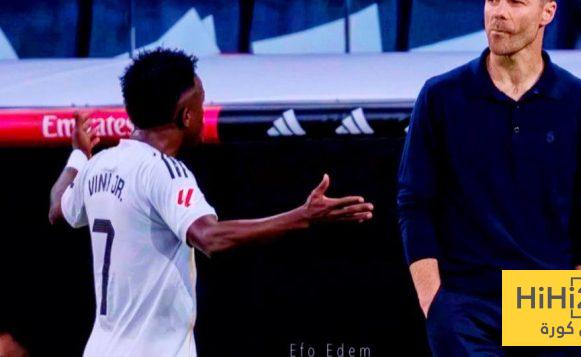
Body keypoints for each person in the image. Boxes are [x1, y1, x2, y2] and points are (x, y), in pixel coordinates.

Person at [47, 48, 374, 356]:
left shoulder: (98, 165)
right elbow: (210, 237)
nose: (206, 111)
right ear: (186, 116)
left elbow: (57, 209)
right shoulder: (164, 172)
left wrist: (79, 154)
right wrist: (304, 216)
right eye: (202, 102)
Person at [397, 0, 581, 356]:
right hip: (466, 301)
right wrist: (434, 302)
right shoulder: (440, 95)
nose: (498, 12)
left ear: (547, 12)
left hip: (553, 299)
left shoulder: (580, 99)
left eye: (515, 2)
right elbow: (414, 201)